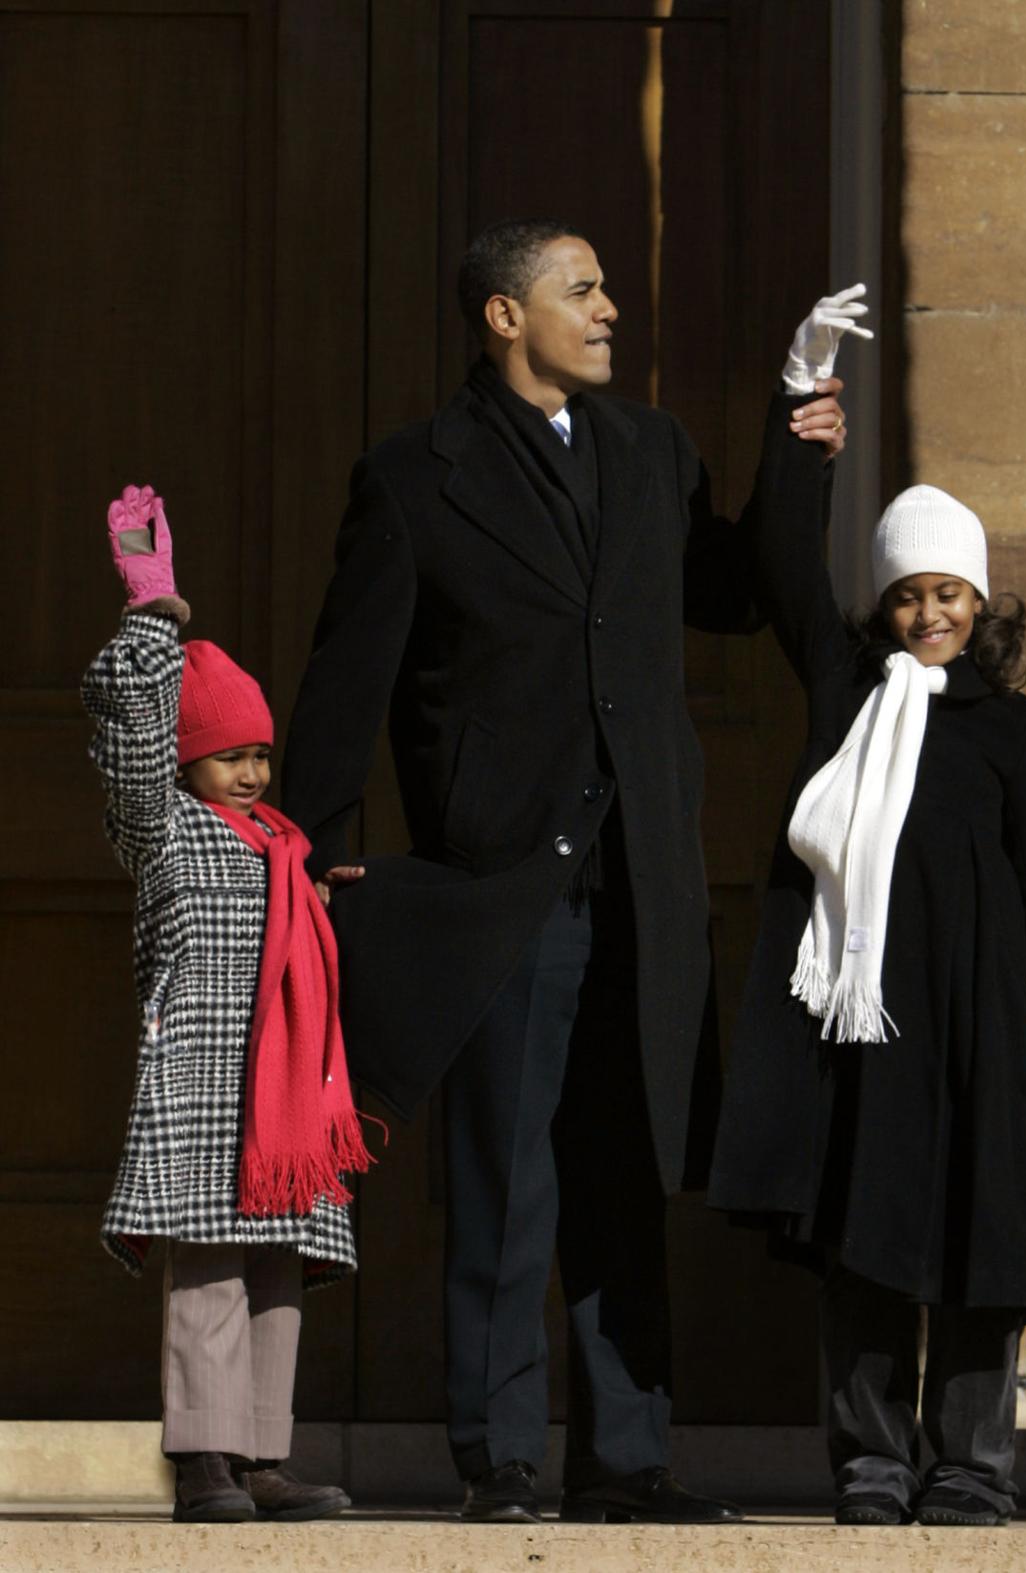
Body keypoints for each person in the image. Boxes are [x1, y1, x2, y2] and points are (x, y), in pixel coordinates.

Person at [282, 216, 868, 1524]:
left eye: (605, 289)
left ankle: (628, 1457)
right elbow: (344, 687)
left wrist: (797, 439)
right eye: (582, 288)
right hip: (501, 890)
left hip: (643, 883)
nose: (609, 309)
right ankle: (499, 1460)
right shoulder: (412, 479)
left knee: (627, 1170)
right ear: (504, 315)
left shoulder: (651, 450)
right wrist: (305, 866)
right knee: (505, 1180)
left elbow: (736, 588)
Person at [707, 481, 1026, 1527]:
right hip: (867, 1024)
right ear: (881, 608)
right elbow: (789, 568)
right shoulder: (846, 692)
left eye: (949, 594)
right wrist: (801, 427)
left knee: (985, 1235)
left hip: (974, 1020)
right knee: (866, 1240)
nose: (929, 615)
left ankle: (972, 1465)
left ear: (980, 602)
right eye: (907, 596)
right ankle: (873, 1463)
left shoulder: (1013, 727)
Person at [83, 485, 372, 1524]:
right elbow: (127, 748)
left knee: (276, 1276)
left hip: (288, 1108)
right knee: (207, 1275)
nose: (251, 770)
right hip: (209, 1089)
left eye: (260, 753)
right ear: (185, 758)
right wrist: (153, 616)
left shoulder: (289, 848)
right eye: (228, 752)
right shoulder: (161, 827)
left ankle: (261, 1454)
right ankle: (202, 1453)